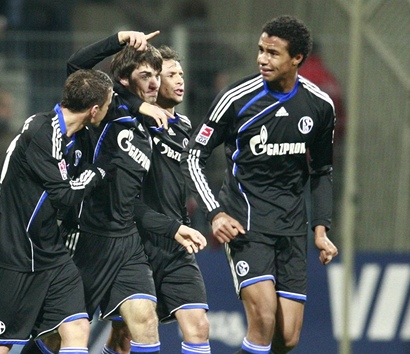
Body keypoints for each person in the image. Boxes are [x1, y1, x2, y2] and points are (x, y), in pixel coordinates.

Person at [181, 15, 339, 354]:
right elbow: (193, 156)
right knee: (263, 318)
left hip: (292, 226)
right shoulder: (236, 99)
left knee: (288, 337)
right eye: (260, 50)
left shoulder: (319, 105)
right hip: (246, 223)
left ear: (297, 59)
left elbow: (322, 169)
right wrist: (215, 213)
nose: (262, 59)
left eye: (272, 53)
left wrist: (322, 228)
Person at [61, 31, 207, 354]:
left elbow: (133, 202)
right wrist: (117, 40)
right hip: (87, 239)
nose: (155, 83)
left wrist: (177, 224)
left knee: (144, 320)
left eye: (158, 76)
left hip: (128, 242)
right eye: (146, 76)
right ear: (124, 81)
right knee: (61, 337)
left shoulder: (153, 129)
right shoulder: (109, 113)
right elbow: (75, 67)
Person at [0, 69, 115, 354]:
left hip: (50, 253)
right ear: (94, 110)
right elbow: (65, 195)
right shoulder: (41, 131)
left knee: (77, 328)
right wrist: (99, 171)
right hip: (10, 252)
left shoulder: (77, 136)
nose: (109, 110)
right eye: (107, 105)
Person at [105, 45, 212, 354]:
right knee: (123, 336)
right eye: (169, 75)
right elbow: (104, 84)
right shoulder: (127, 121)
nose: (179, 80)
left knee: (199, 326)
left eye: (181, 73)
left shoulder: (184, 126)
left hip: (174, 243)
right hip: (135, 243)